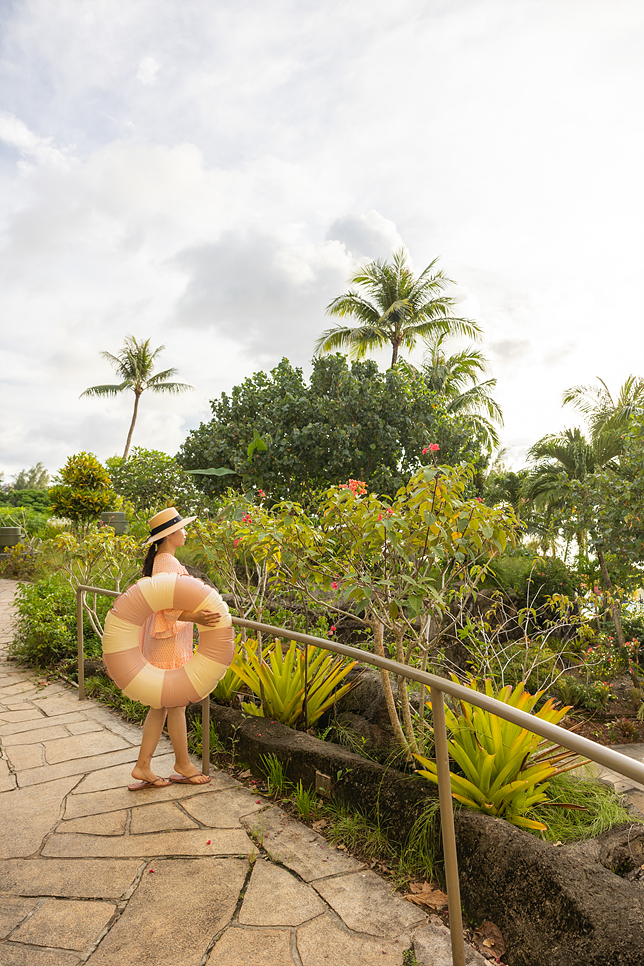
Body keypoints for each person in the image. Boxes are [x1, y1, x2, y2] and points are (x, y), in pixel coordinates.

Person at [129, 507, 221, 790]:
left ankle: (145, 765)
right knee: (174, 704)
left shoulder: (163, 560)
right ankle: (180, 764)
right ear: (169, 535)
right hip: (168, 644)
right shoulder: (166, 562)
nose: (185, 532)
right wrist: (197, 617)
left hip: (167, 643)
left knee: (164, 706)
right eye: (181, 529)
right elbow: (167, 608)